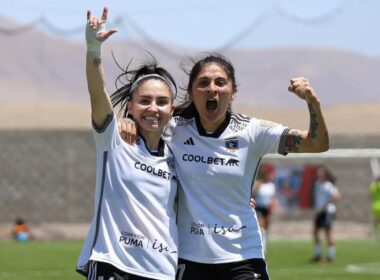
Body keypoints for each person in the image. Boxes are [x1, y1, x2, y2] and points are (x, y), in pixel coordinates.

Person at [120, 53, 329, 279]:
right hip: (190, 258)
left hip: (243, 256)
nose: (212, 88)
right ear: (191, 93)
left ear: (233, 92)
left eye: (220, 82)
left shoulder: (252, 132)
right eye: (203, 83)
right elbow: (147, 120)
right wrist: (127, 122)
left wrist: (312, 101)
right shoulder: (174, 129)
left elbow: (317, 143)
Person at [76, 7, 179, 280]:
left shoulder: (179, 156)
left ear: (173, 109)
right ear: (131, 107)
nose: (153, 108)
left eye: (161, 102)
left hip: (163, 271)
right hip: (114, 265)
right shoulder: (114, 140)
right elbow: (97, 93)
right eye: (144, 101)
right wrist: (93, 49)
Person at [310, 165, 341, 263]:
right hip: (320, 212)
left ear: (325, 174)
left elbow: (337, 197)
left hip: (327, 211)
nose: (319, 174)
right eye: (318, 172)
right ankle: (318, 255)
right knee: (315, 233)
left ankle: (331, 256)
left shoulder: (328, 185)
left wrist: (326, 205)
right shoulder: (317, 184)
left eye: (321, 172)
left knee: (328, 233)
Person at [252, 165, 277, 252]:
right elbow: (252, 195)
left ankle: (264, 246)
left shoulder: (271, 185)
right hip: (259, 207)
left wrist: (274, 207)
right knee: (261, 228)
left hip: (267, 208)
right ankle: (259, 246)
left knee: (266, 229)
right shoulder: (258, 184)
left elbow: (273, 198)